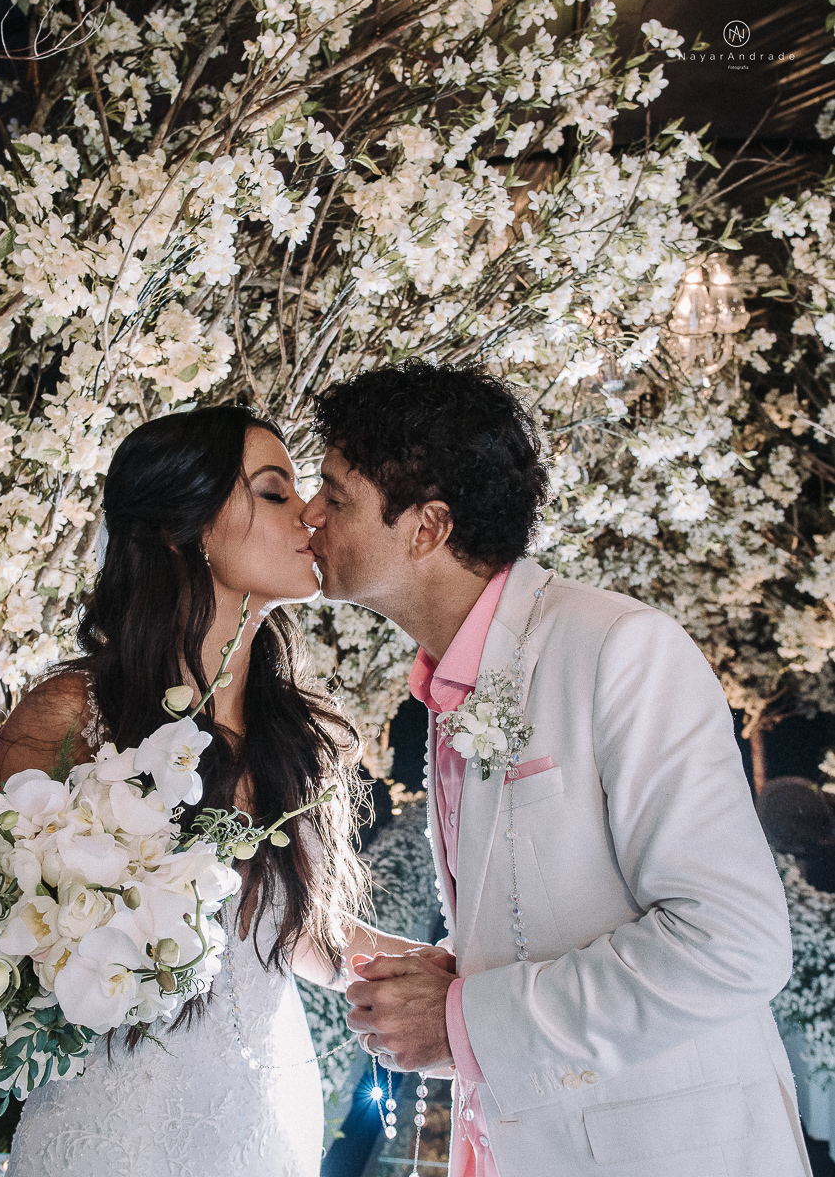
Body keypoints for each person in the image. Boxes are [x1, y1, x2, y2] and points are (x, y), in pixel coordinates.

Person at [302, 360, 811, 1177]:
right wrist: (461, 978)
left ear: (426, 527)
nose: (309, 515)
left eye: (334, 496)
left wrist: (468, 1020)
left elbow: (732, 944)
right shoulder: (451, 684)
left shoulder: (616, 649)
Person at [0, 406, 439, 1177]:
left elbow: (299, 935)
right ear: (182, 528)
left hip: (266, 1119)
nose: (309, 513)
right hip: (114, 1127)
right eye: (274, 491)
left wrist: (463, 980)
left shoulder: (299, 734)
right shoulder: (74, 714)